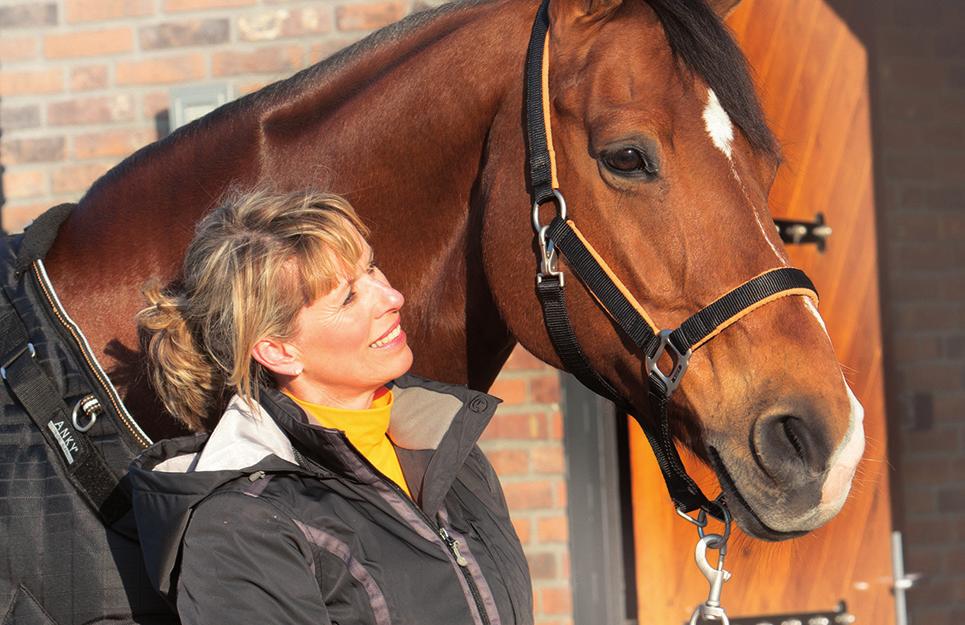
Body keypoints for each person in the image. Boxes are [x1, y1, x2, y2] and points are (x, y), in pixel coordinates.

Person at [129, 189, 532, 625]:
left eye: (372, 266)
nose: (391, 296)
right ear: (278, 351)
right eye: (348, 297)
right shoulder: (243, 524)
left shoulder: (452, 455)